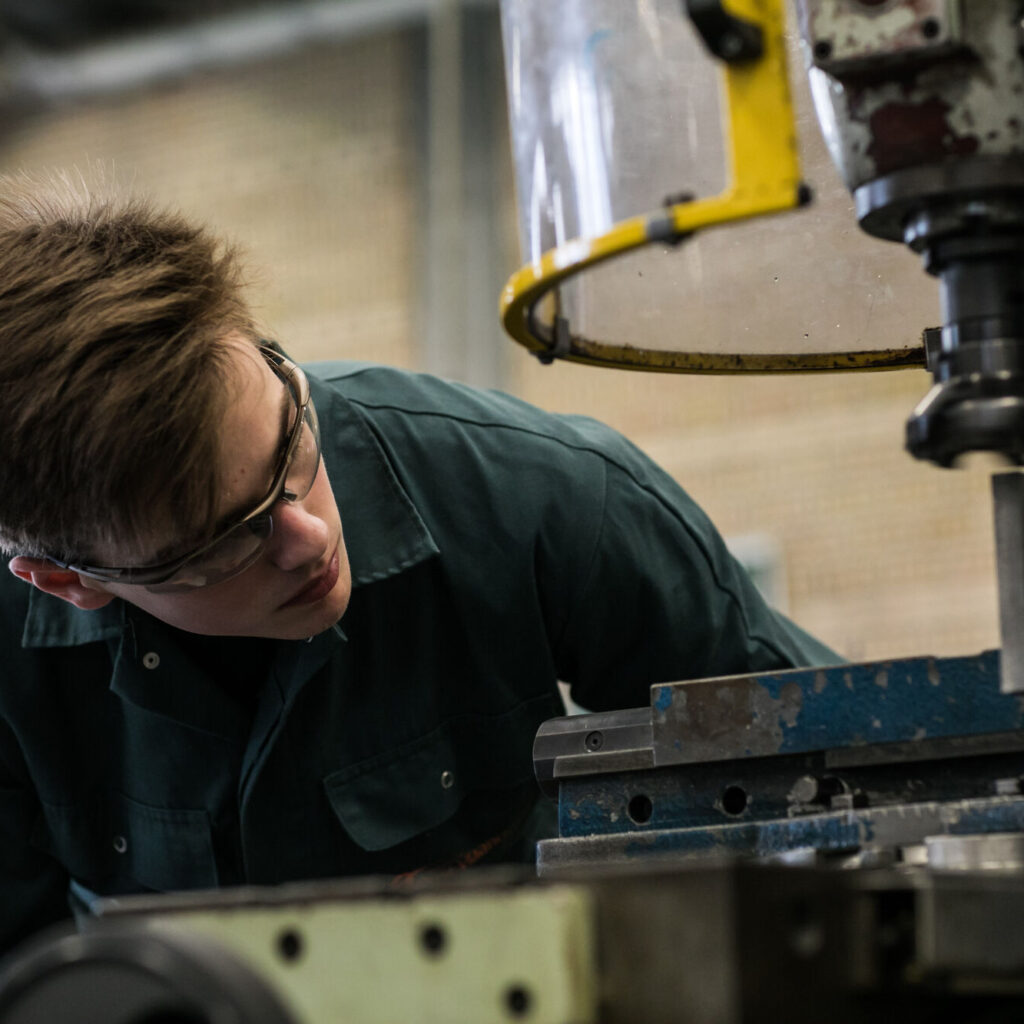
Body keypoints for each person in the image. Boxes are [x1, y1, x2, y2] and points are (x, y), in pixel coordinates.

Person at [0, 174, 838, 956]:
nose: (310, 538)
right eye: (227, 541)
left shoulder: (536, 497)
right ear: (70, 581)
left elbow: (830, 791)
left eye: (293, 439)